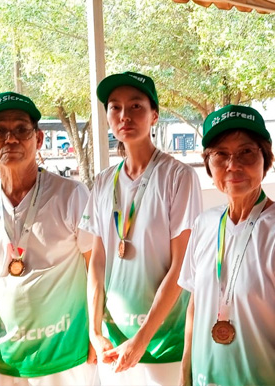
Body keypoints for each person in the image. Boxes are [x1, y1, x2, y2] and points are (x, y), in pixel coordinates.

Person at [0, 92, 96, 386]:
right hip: (6, 363)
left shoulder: (71, 195)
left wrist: (97, 331)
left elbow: (95, 264)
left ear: (38, 139)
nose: (11, 140)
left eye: (21, 130)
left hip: (67, 358)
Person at [178, 105, 275, 386]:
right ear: (208, 163)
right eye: (221, 155)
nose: (233, 165)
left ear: (265, 158)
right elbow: (194, 310)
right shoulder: (204, 225)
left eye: (246, 152)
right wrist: (184, 378)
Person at [79, 71, 202, 385]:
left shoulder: (178, 177)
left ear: (154, 116)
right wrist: (95, 331)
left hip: (162, 342)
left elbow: (181, 266)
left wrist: (143, 338)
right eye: (115, 107)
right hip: (114, 340)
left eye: (136, 106)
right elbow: (98, 259)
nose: (124, 116)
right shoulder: (105, 181)